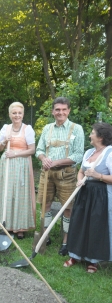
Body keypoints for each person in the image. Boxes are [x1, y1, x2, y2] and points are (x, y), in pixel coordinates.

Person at [36, 97, 84, 255]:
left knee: (68, 208)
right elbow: (39, 150)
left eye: (64, 109)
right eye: (57, 109)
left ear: (69, 110)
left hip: (67, 175)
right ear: (53, 111)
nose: (60, 112)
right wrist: (44, 159)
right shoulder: (47, 128)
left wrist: (56, 162)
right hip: (47, 174)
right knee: (45, 205)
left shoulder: (77, 129)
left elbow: (78, 155)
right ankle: (46, 236)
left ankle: (66, 240)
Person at [63, 123, 112, 273]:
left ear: (101, 137)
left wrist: (99, 176)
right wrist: (79, 179)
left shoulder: (109, 153)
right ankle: (75, 255)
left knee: (95, 225)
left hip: (100, 195)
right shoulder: (89, 152)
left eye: (92, 133)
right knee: (79, 222)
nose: (90, 135)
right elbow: (81, 171)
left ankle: (93, 260)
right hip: (84, 192)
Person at [0, 102, 36, 238]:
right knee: (7, 192)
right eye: (14, 113)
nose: (17, 115)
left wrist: (15, 154)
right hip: (7, 164)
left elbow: (32, 150)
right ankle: (7, 224)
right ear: (10, 114)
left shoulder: (27, 129)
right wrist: (5, 141)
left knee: (20, 193)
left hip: (22, 164)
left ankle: (20, 227)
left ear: (23, 114)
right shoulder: (5, 128)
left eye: (19, 113)